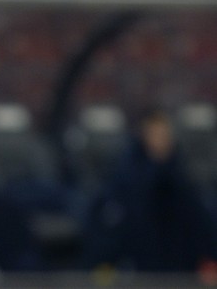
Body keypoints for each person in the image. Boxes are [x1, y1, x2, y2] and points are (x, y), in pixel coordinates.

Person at [81, 108, 217, 273]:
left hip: (179, 271)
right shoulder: (126, 180)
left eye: (164, 135)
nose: (160, 141)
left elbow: (200, 227)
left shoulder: (183, 179)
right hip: (139, 270)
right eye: (155, 134)